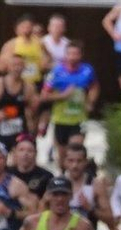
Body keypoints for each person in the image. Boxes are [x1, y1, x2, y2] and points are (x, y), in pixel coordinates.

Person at [39, 41, 99, 162]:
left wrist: (91, 101)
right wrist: (63, 95)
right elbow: (44, 95)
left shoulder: (87, 70)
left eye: (75, 54)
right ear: (65, 55)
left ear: (81, 55)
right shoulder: (56, 72)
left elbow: (94, 87)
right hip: (60, 119)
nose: (72, 57)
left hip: (79, 119)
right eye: (69, 53)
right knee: (63, 157)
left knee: (75, 150)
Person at [0, 54, 38, 152]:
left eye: (20, 65)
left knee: (17, 159)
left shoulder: (28, 86)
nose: (17, 68)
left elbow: (33, 109)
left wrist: (32, 125)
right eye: (14, 65)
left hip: (21, 131)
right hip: (3, 130)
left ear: (24, 67)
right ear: (8, 67)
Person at [37, 12, 71, 147]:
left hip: (62, 81)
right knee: (45, 104)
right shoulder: (42, 43)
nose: (57, 29)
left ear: (64, 28)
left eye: (60, 26)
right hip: (45, 78)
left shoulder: (67, 44)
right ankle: (42, 125)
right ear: (49, 28)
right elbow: (41, 64)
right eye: (54, 26)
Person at [0, 14, 49, 89]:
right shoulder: (11, 44)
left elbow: (45, 65)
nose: (26, 29)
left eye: (29, 26)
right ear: (17, 29)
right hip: (17, 83)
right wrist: (15, 66)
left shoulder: (40, 44)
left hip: (34, 83)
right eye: (23, 27)